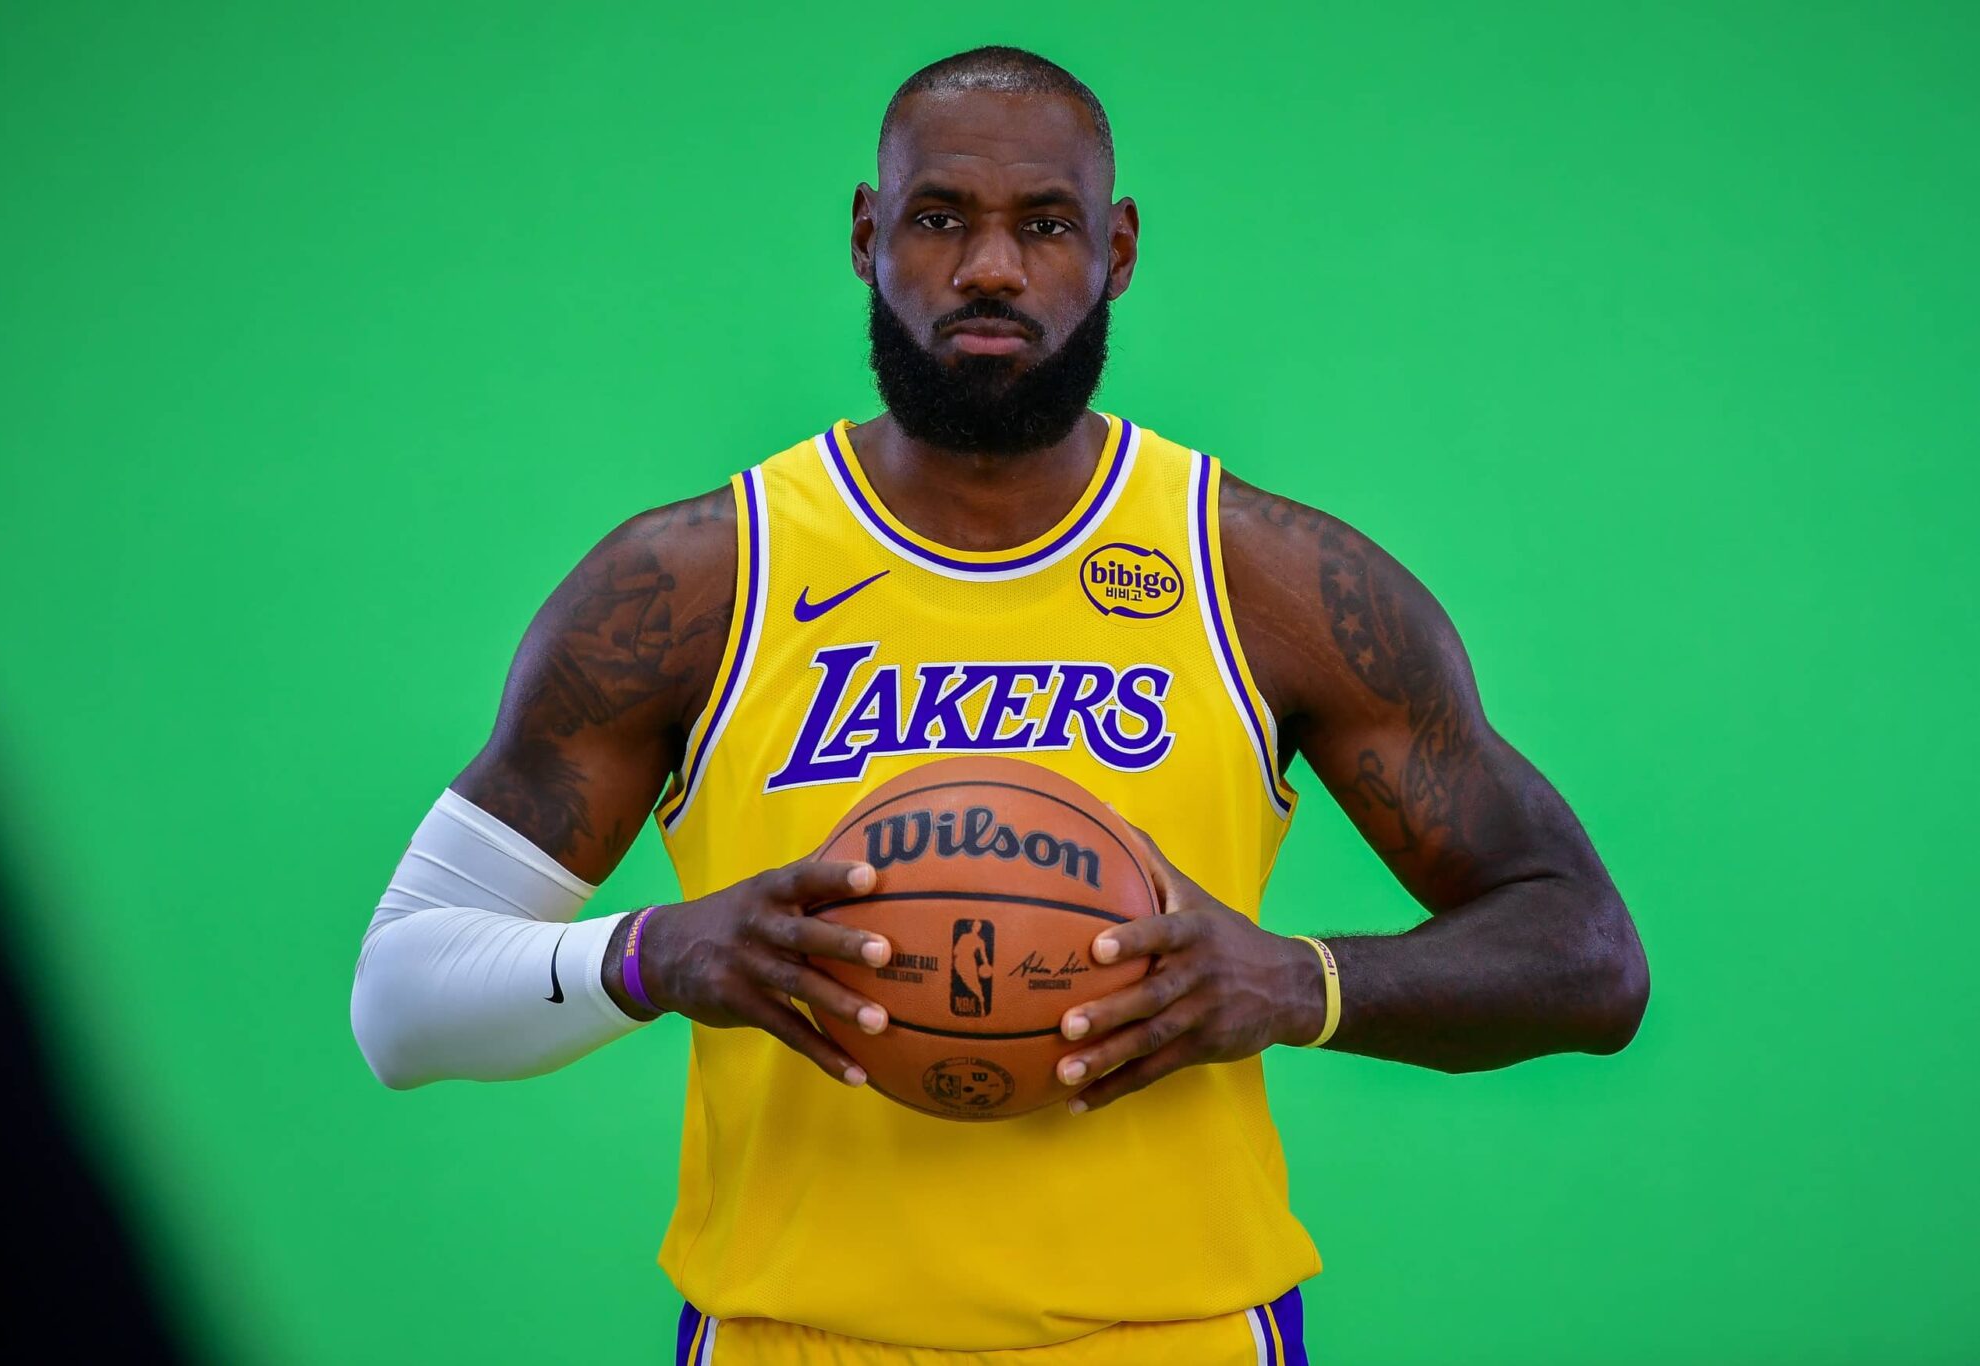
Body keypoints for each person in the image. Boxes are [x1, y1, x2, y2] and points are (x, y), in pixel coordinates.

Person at [351, 46, 1648, 1366]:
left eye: (1044, 225)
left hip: (1179, 1339)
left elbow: (1588, 953)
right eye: (938, 218)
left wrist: (1296, 981)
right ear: (866, 234)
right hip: (793, 1339)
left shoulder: (1263, 579)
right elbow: (398, 996)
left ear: (1116, 249)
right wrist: (653, 953)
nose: (989, 267)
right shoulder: (697, 584)